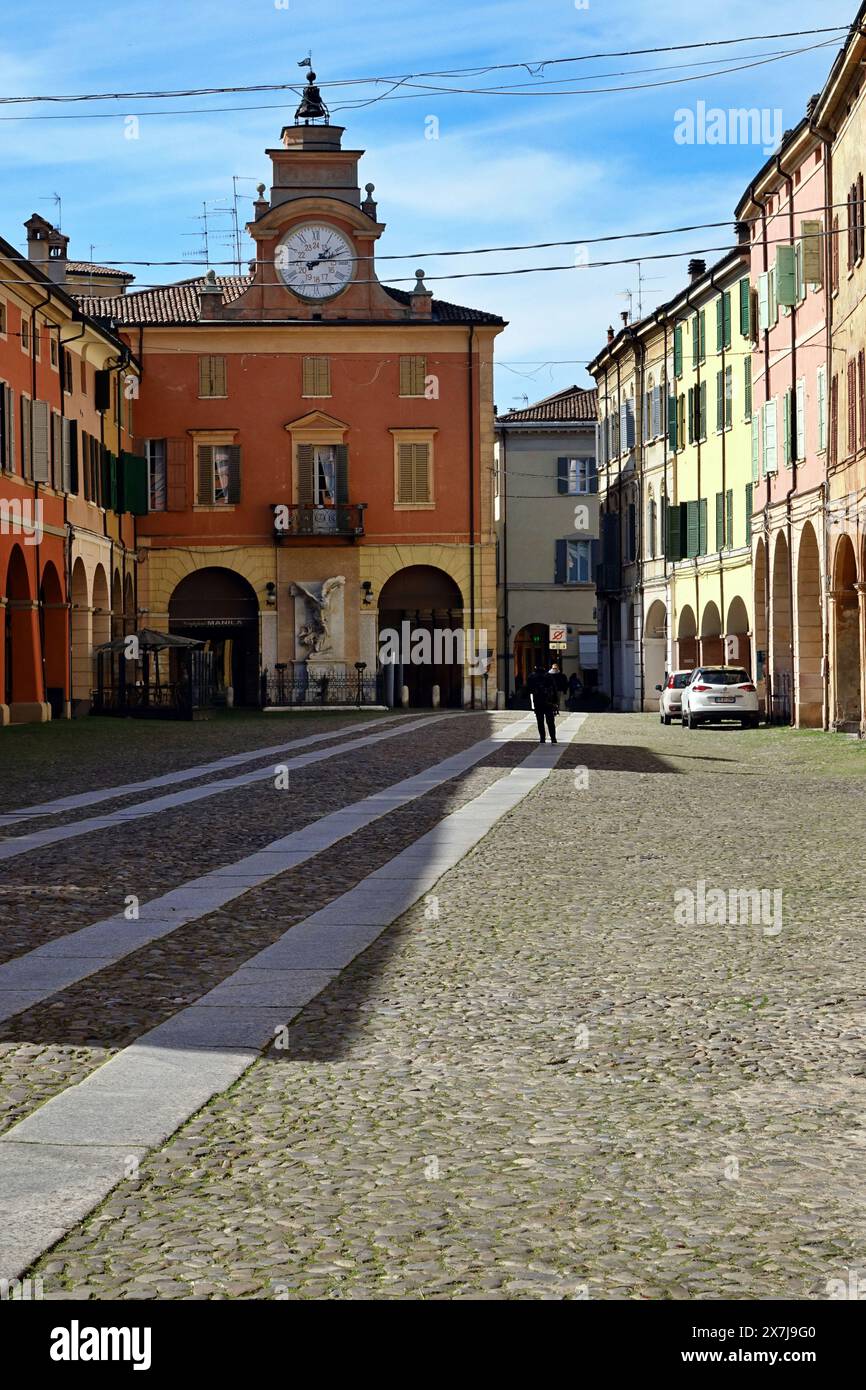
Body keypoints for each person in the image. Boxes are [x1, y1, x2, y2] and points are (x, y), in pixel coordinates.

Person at [527, 661, 558, 744]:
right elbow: (554, 690)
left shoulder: (531, 677)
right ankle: (553, 738)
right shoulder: (548, 676)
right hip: (548, 701)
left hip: (538, 701)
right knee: (550, 721)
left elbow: (528, 690)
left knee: (540, 721)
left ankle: (542, 738)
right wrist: (555, 702)